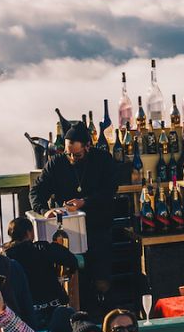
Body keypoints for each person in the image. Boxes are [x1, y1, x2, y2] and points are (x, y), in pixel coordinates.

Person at [28, 122, 118, 307]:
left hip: (98, 227)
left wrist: (85, 202)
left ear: (88, 146)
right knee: (72, 279)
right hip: (67, 232)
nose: (72, 157)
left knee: (101, 279)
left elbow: (110, 191)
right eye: (69, 153)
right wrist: (46, 211)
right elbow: (36, 191)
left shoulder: (103, 160)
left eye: (77, 154)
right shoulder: (56, 163)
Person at [2, 218, 78, 312]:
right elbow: (72, 261)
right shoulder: (42, 248)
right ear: (29, 233)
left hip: (24, 309)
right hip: (52, 306)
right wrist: (69, 273)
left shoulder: (6, 256)